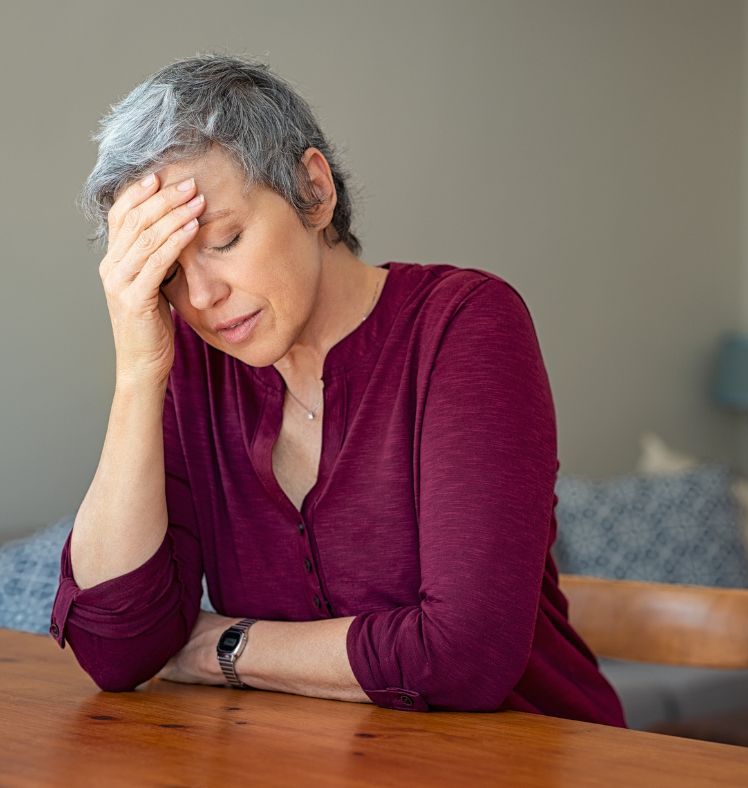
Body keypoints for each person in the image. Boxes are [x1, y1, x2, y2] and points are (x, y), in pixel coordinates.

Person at [51, 53, 627, 728]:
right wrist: (137, 376)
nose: (202, 298)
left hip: (531, 759)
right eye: (167, 275)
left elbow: (465, 655)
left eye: (225, 240)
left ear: (313, 190)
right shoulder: (191, 366)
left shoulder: (464, 325)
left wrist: (219, 646)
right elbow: (115, 653)